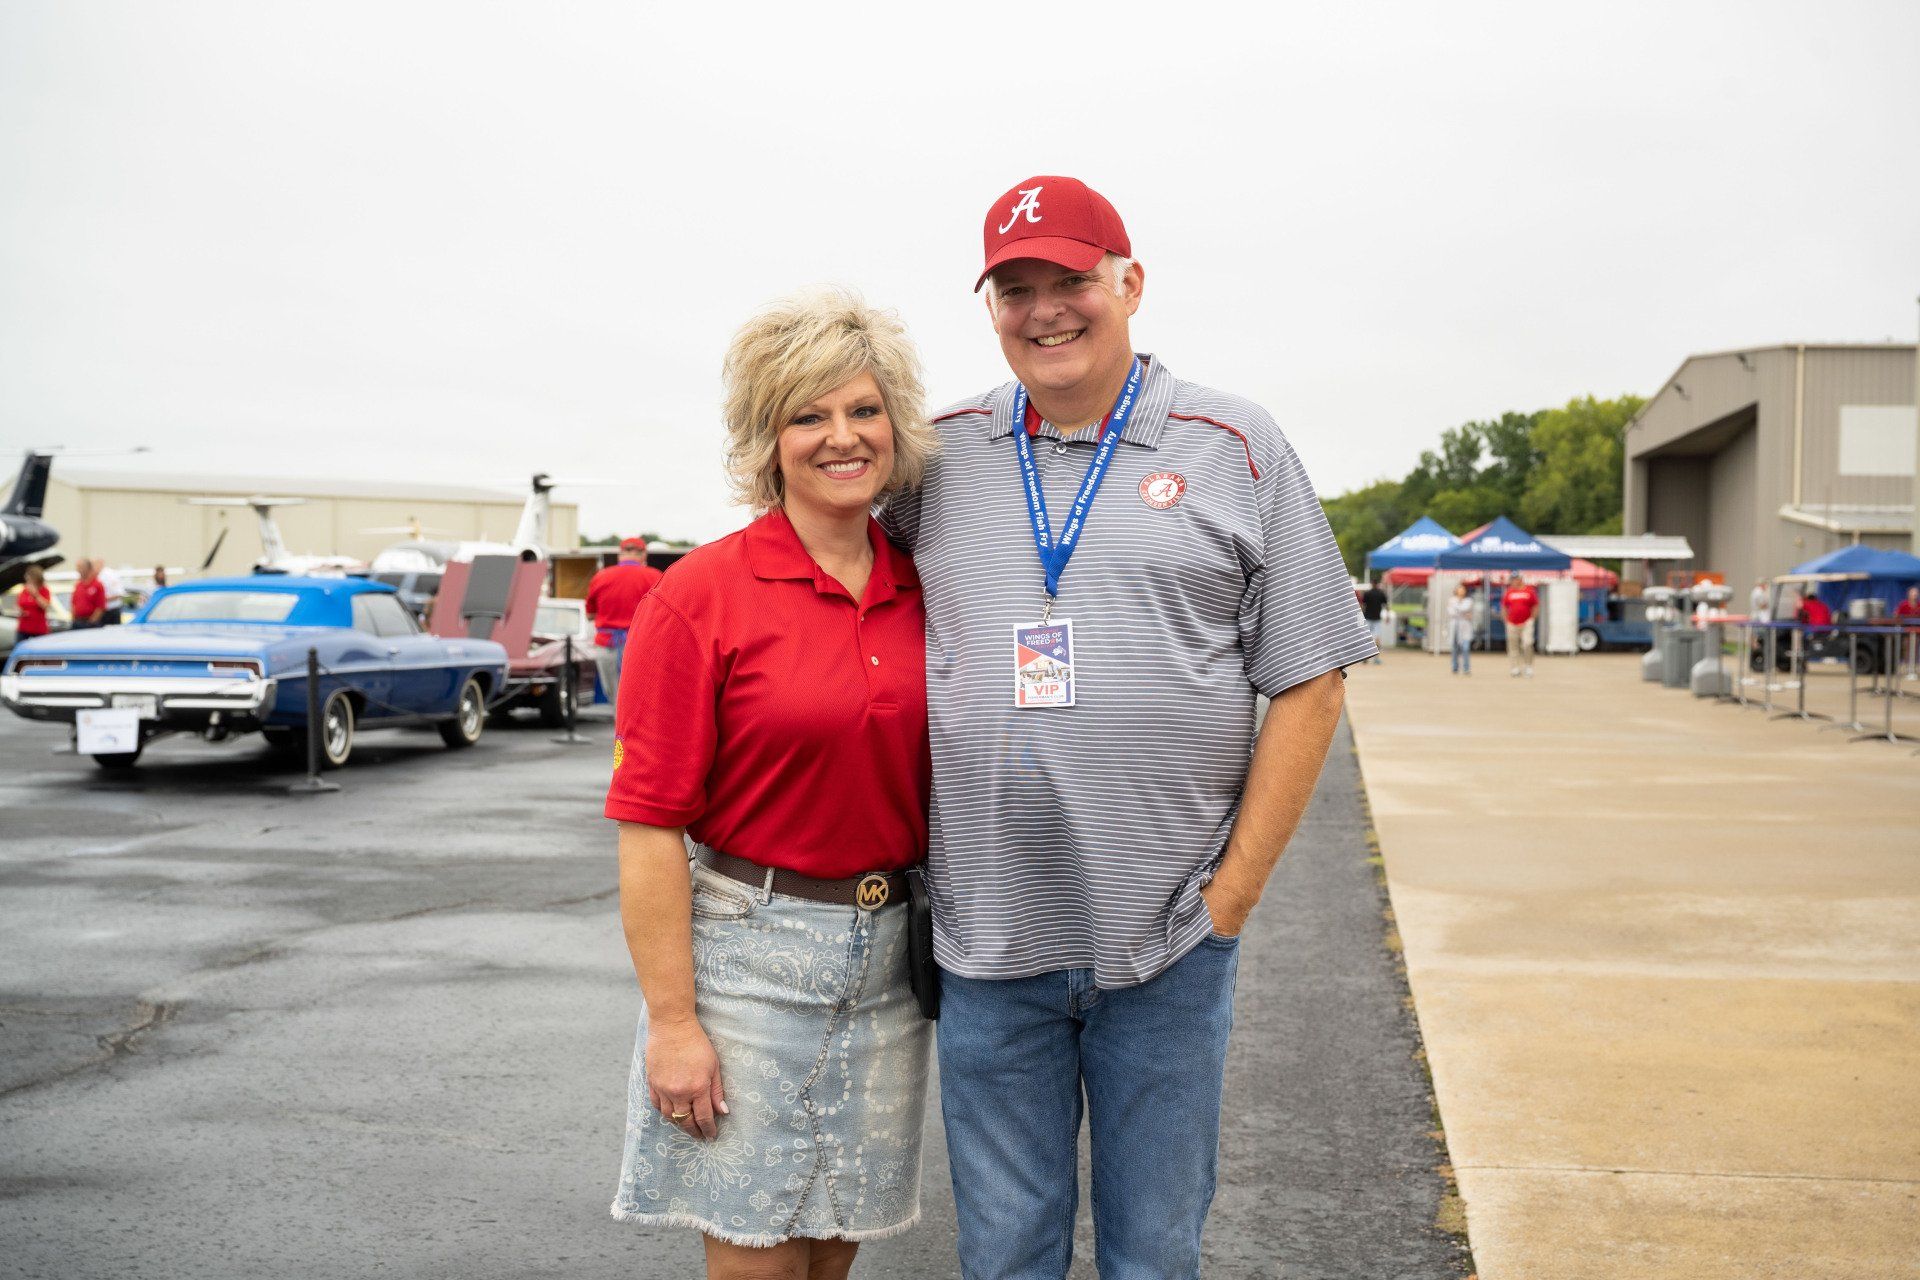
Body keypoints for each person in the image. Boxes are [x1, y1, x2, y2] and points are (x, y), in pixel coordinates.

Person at [881, 175, 1375, 1279]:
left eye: (1072, 281)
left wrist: (1231, 895)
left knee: (1154, 1255)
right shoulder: (936, 455)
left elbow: (1313, 676)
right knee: (1005, 1255)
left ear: (1131, 284)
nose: (1046, 309)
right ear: (991, 306)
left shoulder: (1232, 443)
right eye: (1017, 289)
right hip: (986, 942)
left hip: (1165, 942)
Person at [604, 289, 937, 1278]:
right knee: (758, 1257)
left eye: (864, 410)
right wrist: (674, 1022)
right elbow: (648, 824)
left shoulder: (927, 582)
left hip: (889, 967)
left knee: (833, 1258)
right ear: (768, 436)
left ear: (895, 424)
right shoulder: (700, 593)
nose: (843, 436)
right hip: (747, 966)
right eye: (808, 414)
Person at [584, 537, 663, 714]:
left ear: (621, 554)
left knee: (617, 704)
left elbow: (590, 614)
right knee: (642, 704)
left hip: (607, 645)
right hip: (642, 646)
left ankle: (620, 740)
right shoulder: (655, 576)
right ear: (643, 554)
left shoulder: (601, 576)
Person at [12, 564, 67, 640]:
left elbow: (45, 606)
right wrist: (19, 610)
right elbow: (18, 604)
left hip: (38, 629)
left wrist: (35, 594)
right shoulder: (24, 590)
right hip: (24, 628)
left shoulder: (44, 590)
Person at [1502, 571, 1539, 677]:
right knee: (1513, 646)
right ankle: (1515, 668)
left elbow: (1535, 605)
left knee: (1527, 643)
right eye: (1512, 579)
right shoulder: (1509, 592)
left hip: (1526, 622)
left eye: (1516, 579)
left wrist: (1532, 619)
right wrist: (1506, 620)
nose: (1514, 581)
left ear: (1520, 579)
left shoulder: (1529, 591)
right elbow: (1504, 606)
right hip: (1512, 623)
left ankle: (1528, 666)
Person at [68, 559, 108, 630]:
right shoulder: (78, 585)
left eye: (80, 567)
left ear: (87, 568)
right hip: (77, 622)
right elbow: (73, 604)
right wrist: (73, 620)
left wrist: (91, 623)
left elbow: (100, 607)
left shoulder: (97, 585)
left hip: (90, 624)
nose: (78, 570)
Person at [1447, 581, 1475, 676]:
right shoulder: (1452, 600)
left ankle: (1466, 668)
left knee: (1465, 648)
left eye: (1462, 589)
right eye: (1459, 589)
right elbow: (1451, 612)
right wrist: (1462, 612)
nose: (1461, 591)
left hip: (1465, 626)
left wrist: (1458, 609)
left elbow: (1465, 609)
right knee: (1454, 648)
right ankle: (1455, 667)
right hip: (1455, 625)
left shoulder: (1469, 601)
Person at [1361, 577, 1390, 662]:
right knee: (1377, 638)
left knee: (1366, 638)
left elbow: (1363, 606)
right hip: (1377, 618)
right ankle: (1376, 658)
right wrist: (1387, 616)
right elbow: (1386, 605)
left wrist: (1361, 618)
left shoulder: (1367, 593)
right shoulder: (1381, 593)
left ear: (1371, 584)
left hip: (1368, 618)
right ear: (1377, 584)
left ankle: (1365, 657)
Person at [1894, 585, 1920, 679]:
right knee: (1907, 649)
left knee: (1915, 649)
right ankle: (1907, 668)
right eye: (1913, 593)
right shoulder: (1903, 604)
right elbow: (1896, 615)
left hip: (1917, 632)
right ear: (1909, 594)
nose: (1915, 595)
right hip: (1906, 632)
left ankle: (1914, 668)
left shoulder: (1919, 605)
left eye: (1916, 593)